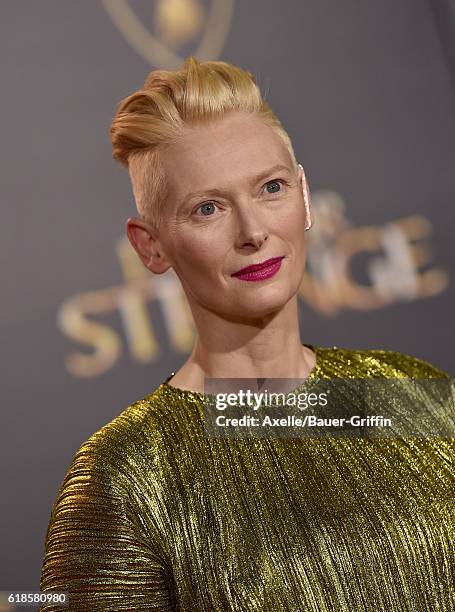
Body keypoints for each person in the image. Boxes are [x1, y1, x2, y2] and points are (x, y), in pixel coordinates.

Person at [39, 56, 455, 611]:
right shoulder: (125, 477)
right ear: (150, 246)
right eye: (208, 208)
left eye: (271, 188)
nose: (254, 231)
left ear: (304, 196)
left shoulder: (408, 393)